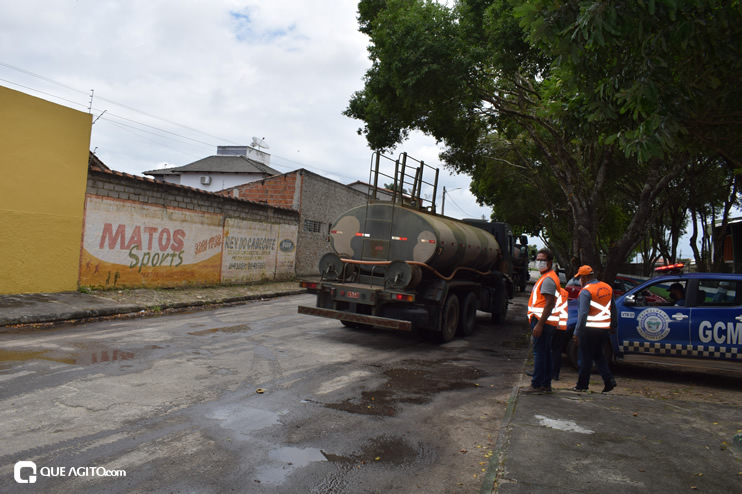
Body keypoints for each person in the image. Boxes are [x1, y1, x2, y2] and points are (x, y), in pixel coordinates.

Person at [572, 265, 617, 393]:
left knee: (585, 358)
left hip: (589, 330)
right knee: (598, 355)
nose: (580, 280)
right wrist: (613, 326)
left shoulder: (586, 291)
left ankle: (582, 385)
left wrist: (577, 332)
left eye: (580, 277)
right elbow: (613, 309)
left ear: (585, 278)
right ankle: (609, 380)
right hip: (603, 329)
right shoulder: (607, 287)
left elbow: (583, 314)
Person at [524, 248, 561, 394]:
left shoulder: (548, 280)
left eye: (542, 260)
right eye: (538, 259)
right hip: (545, 322)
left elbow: (549, 303)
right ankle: (545, 384)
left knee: (539, 353)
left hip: (543, 322)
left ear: (550, 262)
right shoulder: (546, 277)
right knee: (545, 354)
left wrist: (539, 324)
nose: (539, 262)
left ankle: (537, 384)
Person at [551, 286, 570, 381]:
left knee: (547, 349)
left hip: (552, 324)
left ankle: (545, 371)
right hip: (562, 325)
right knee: (557, 350)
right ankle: (555, 373)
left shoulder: (550, 291)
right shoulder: (564, 292)